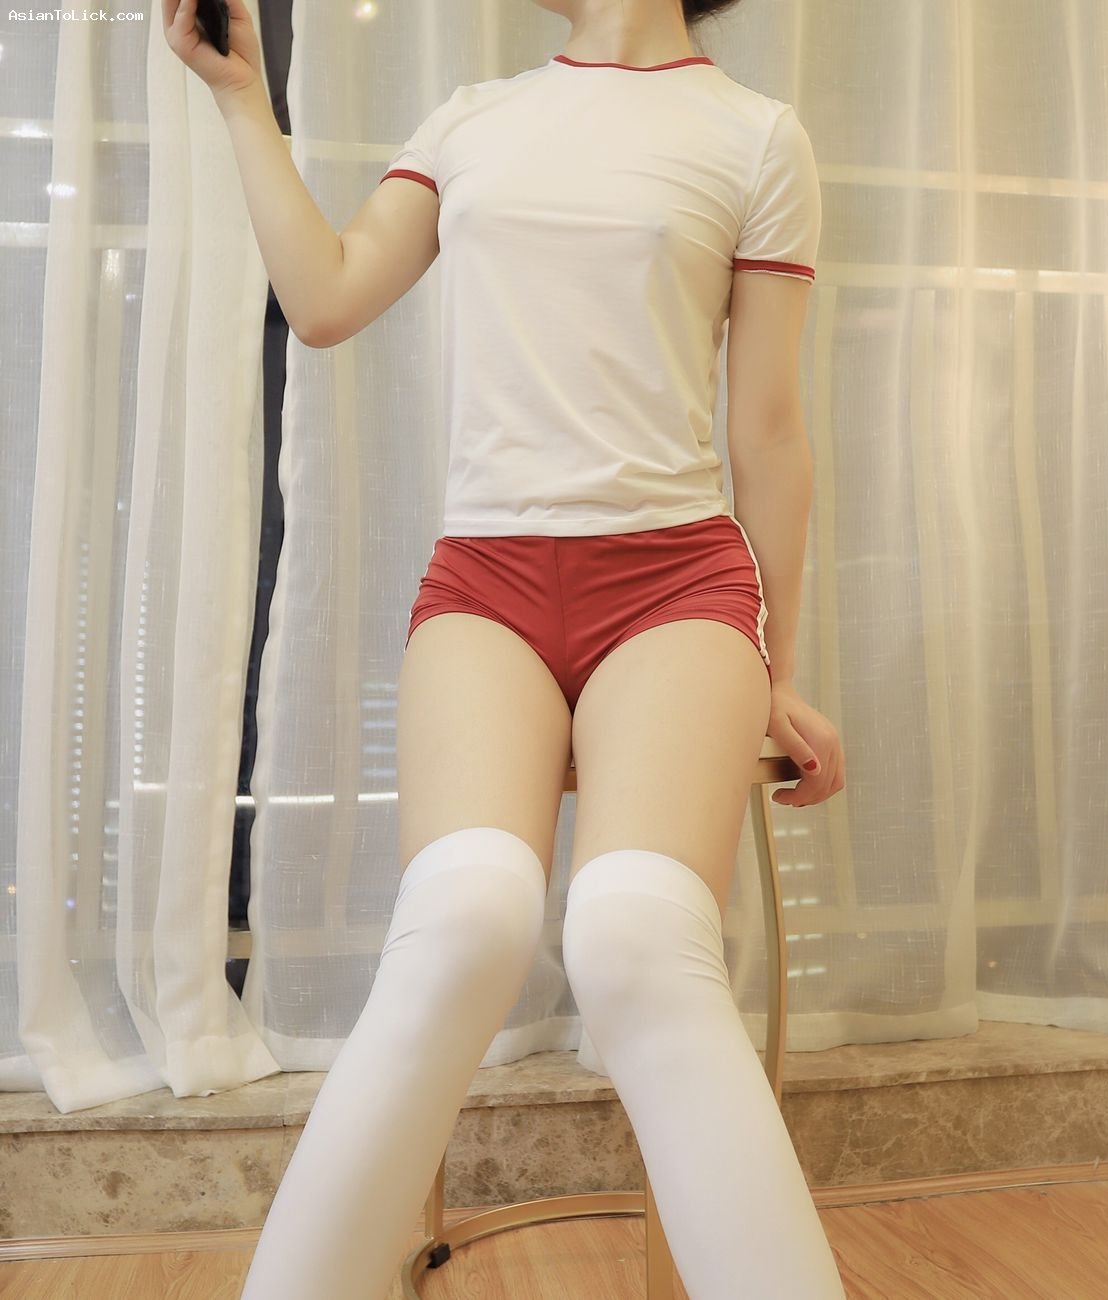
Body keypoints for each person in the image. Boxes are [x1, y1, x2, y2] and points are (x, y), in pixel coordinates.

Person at [164, 0, 847, 1295]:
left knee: (637, 941)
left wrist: (777, 670)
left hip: (677, 583)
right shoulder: (471, 123)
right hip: (488, 583)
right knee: (465, 917)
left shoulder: (756, 138)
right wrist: (243, 99)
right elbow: (324, 298)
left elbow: (767, 430)